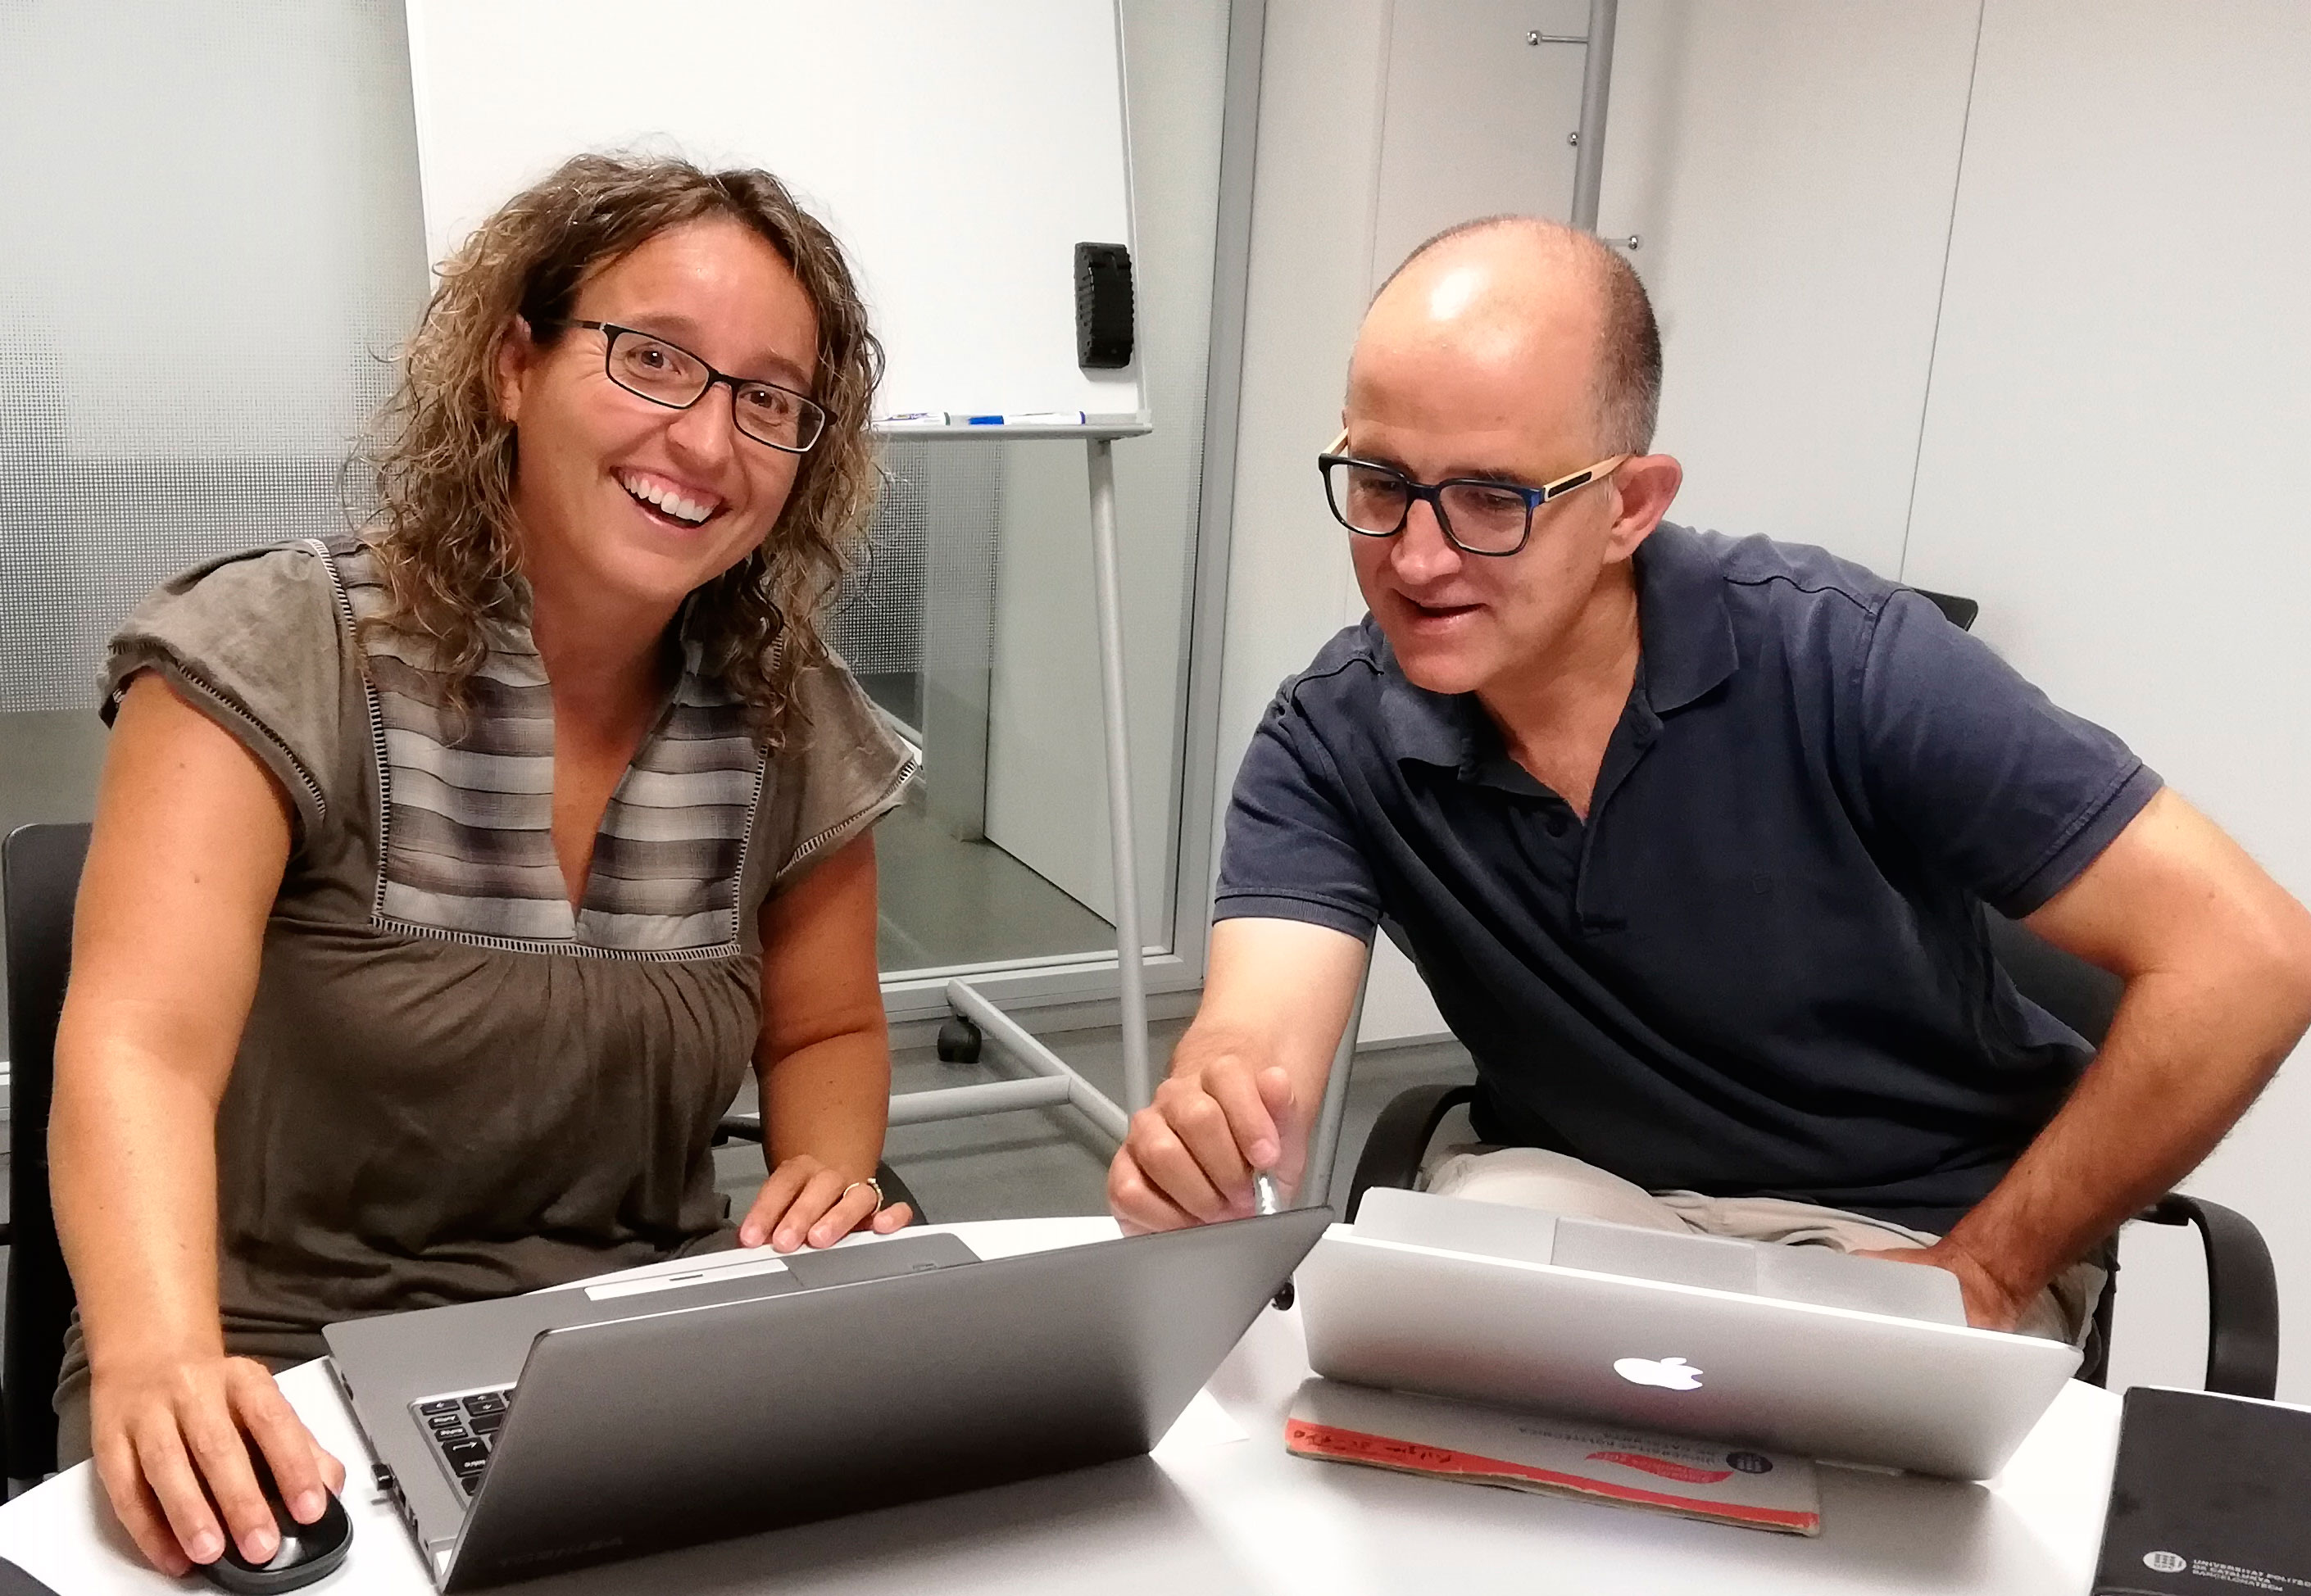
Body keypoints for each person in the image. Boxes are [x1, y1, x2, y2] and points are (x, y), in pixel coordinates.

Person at [1109, 215, 2311, 1344]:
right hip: (1579, 1199)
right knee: (1408, 1419)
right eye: (1381, 482)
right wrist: (1212, 1128)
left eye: (1491, 500)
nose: (1417, 559)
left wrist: (1992, 1270)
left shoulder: (1846, 661)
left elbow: (2251, 961)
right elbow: (1254, 1039)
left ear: (1628, 506)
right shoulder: (1332, 735)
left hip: (1905, 1228)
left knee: (1809, 1486)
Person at [50, 154, 920, 1577]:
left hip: (632, 1351)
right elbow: (138, 1044)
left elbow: (824, 1028)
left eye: (769, 401)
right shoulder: (276, 649)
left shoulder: (789, 717)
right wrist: (157, 1357)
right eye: (654, 359)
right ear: (515, 367)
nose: (709, 441)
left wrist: (824, 1175)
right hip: (267, 1358)